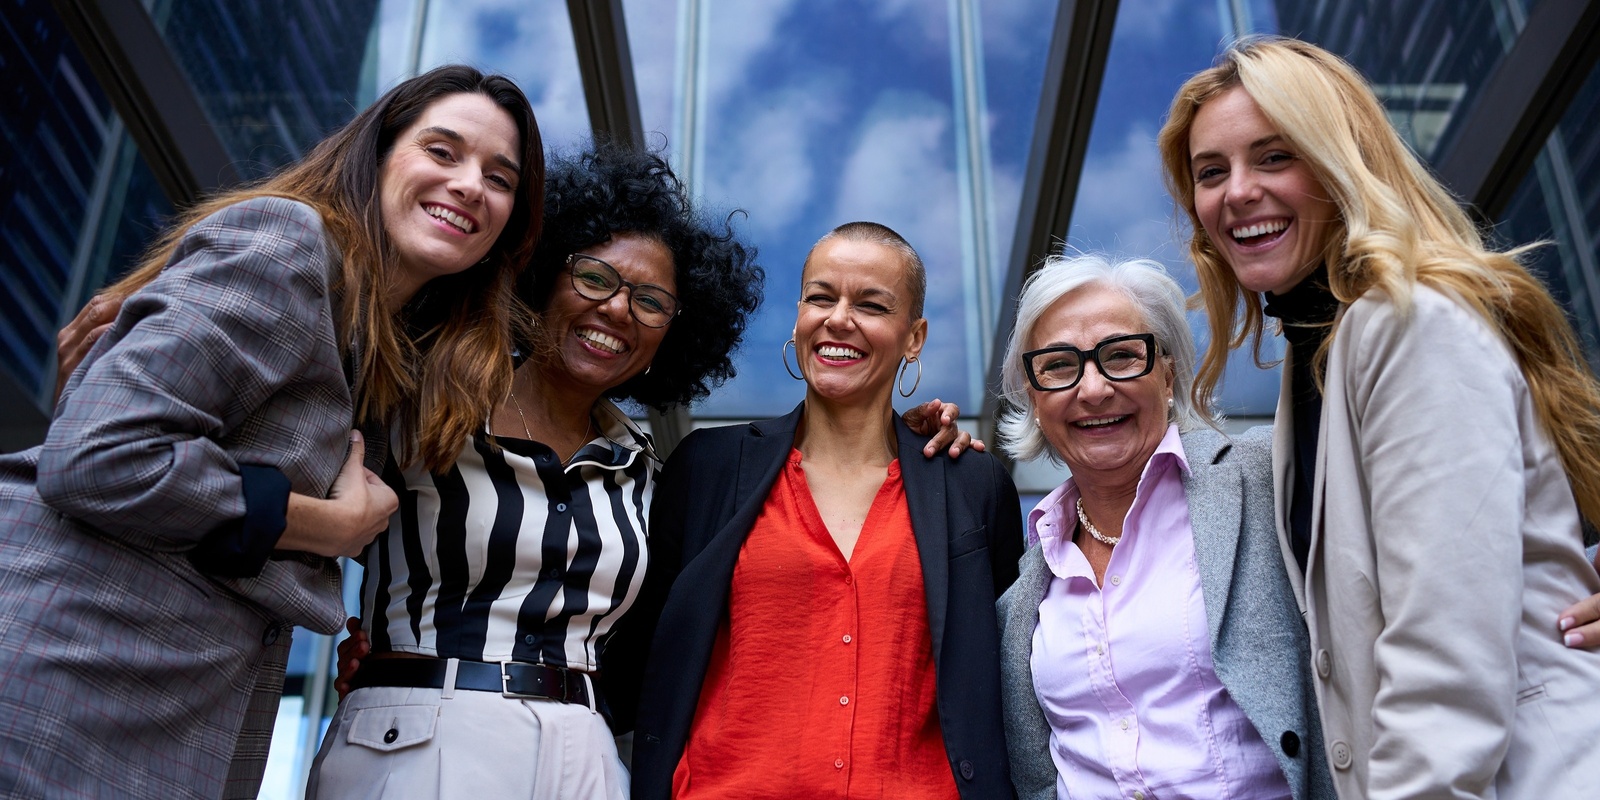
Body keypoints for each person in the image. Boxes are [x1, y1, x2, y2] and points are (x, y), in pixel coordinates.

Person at [0, 64, 544, 799]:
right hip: (62, 686)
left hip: (169, 717)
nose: (471, 185)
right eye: (442, 152)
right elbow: (98, 457)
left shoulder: (382, 360)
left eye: (500, 178)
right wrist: (324, 526)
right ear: (376, 155)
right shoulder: (288, 241)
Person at [1158, 35, 1600, 797]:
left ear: (1338, 165)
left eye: (1273, 156)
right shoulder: (1316, 353)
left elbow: (1443, 667)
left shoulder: (1404, 324)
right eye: (1210, 172)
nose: (1236, 192)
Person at [305, 144, 764, 799]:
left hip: (585, 755)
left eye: (651, 301)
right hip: (419, 733)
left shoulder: (642, 471)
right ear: (546, 273)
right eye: (595, 278)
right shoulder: (425, 398)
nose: (617, 311)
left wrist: (918, 443)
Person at [625, 222, 1024, 799]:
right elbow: (636, 654)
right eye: (821, 297)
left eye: (870, 304)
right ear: (798, 318)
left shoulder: (970, 483)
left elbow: (1003, 679)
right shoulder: (708, 468)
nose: (839, 319)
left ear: (914, 337)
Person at [994, 253, 1332, 800]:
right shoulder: (1025, 594)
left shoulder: (1265, 479)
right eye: (1059, 365)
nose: (1094, 389)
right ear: (1034, 398)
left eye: (1122, 356)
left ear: (1168, 374)